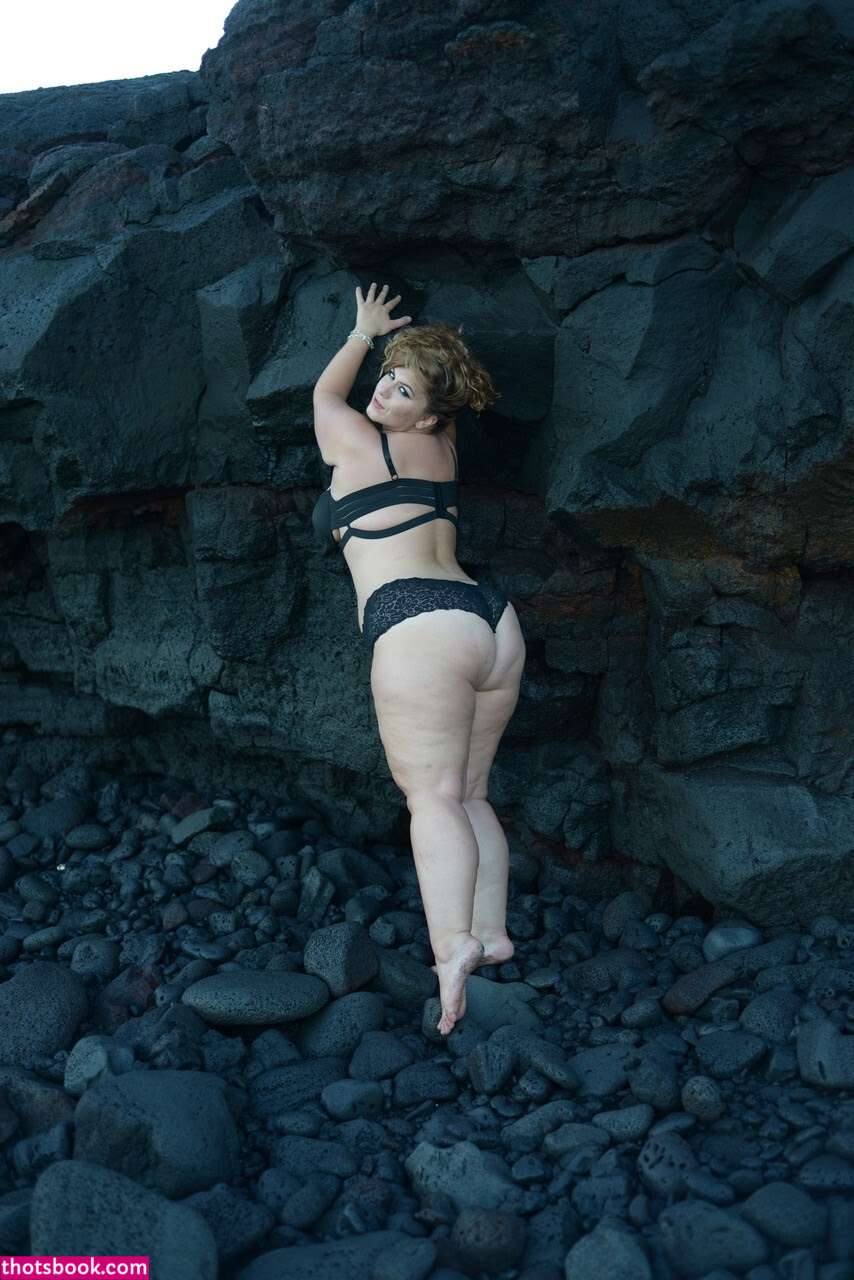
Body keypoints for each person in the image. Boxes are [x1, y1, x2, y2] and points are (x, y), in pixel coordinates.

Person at [311, 282, 527, 1036]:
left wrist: (362, 334)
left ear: (430, 413)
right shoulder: (442, 445)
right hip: (489, 620)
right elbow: (425, 389)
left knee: (432, 799)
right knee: (470, 792)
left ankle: (452, 947)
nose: (381, 392)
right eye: (386, 378)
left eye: (402, 390)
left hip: (418, 624)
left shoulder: (352, 439)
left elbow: (324, 394)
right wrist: (412, 363)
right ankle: (491, 931)